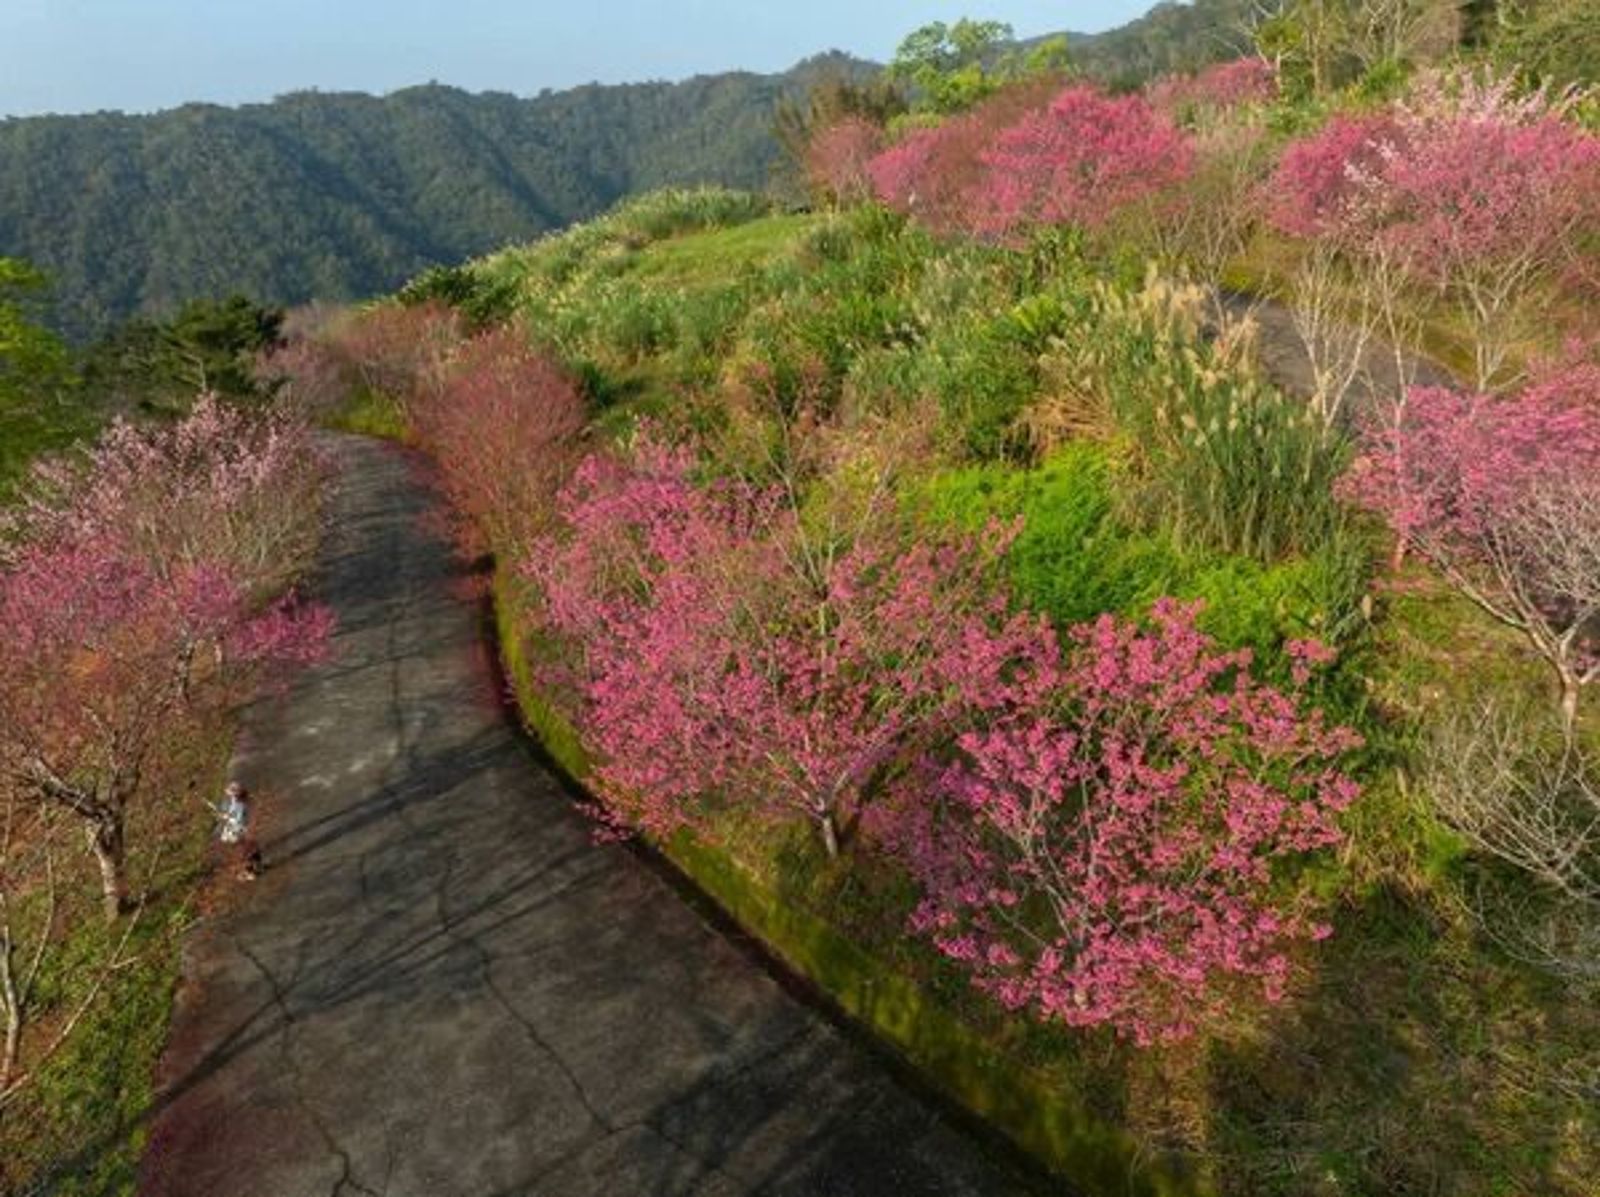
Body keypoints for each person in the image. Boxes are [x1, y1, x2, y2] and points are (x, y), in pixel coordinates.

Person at [210, 781, 264, 880]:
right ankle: (257, 866)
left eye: (232, 793)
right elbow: (229, 812)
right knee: (250, 848)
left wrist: (226, 817)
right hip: (240, 830)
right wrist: (223, 815)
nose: (230, 795)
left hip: (239, 830)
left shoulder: (240, 805)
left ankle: (249, 872)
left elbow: (237, 819)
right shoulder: (235, 802)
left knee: (244, 851)